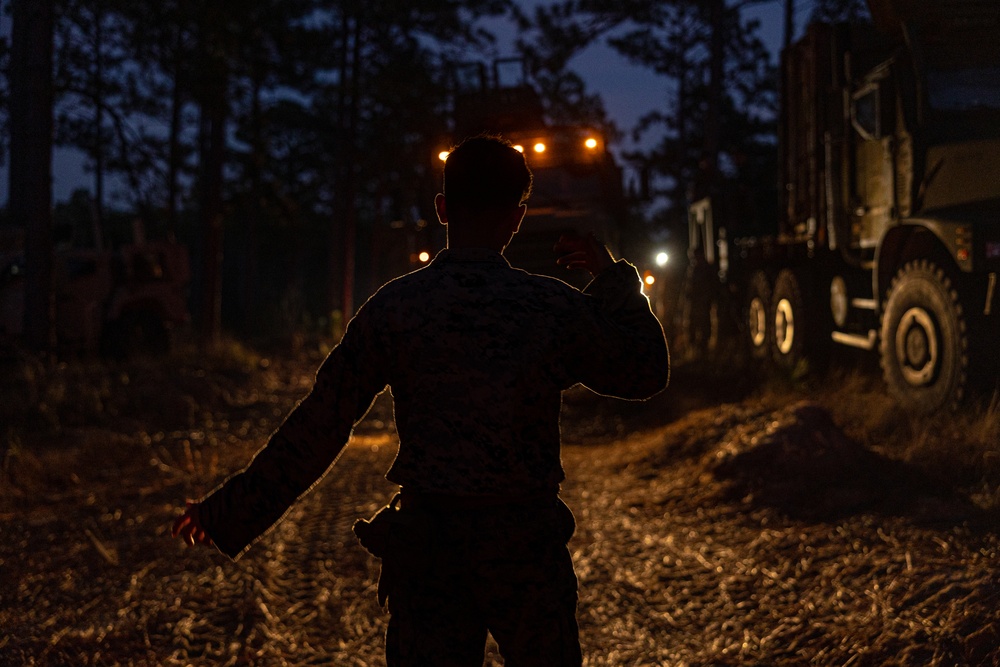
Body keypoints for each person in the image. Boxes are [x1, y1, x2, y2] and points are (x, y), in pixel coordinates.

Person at [172, 134, 670, 666]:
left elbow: (319, 424)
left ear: (442, 209)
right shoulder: (548, 307)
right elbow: (646, 370)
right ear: (518, 217)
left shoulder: (396, 308)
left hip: (431, 555)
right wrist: (615, 278)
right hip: (525, 555)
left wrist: (230, 512)